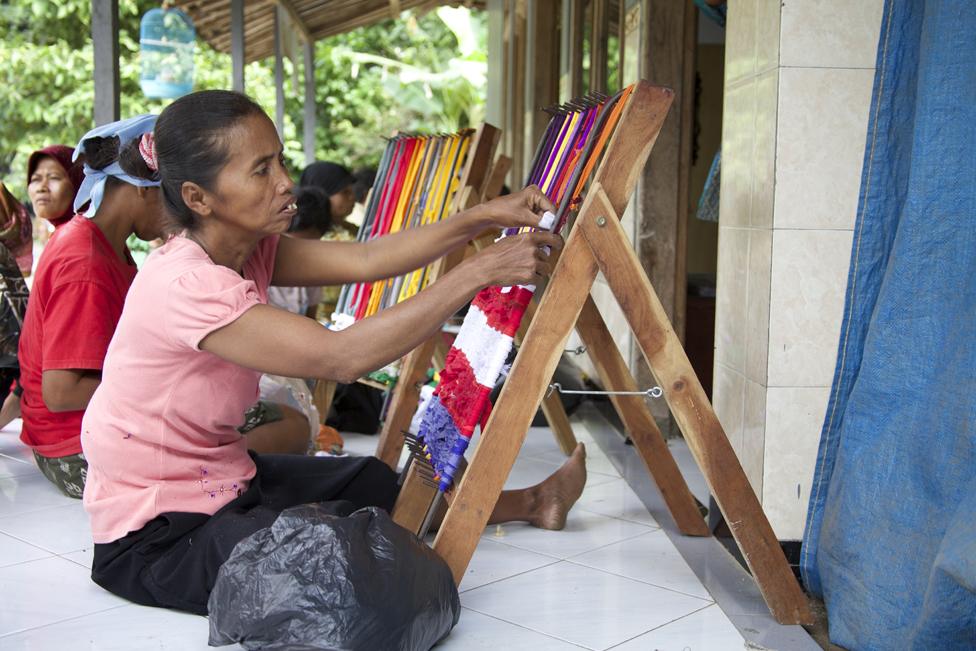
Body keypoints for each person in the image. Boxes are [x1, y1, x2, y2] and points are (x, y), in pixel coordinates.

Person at [81, 90, 586, 616]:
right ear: (198, 197)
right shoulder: (185, 284)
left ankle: (533, 503)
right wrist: (480, 270)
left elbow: (366, 259)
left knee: (368, 482)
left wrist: (480, 217)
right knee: (334, 562)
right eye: (261, 170)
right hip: (161, 535)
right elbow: (340, 357)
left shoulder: (245, 249)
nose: (285, 182)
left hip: (224, 482)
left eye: (281, 160)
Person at [17, 115, 166, 498]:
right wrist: (164, 388)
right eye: (171, 196)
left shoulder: (105, 244)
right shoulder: (85, 260)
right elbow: (62, 393)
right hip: (71, 448)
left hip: (88, 429)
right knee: (262, 437)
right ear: (141, 189)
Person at [26, 144, 86, 229]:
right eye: (35, 179)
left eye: (54, 177)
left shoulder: (82, 235)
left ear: (79, 183)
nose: (41, 188)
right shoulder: (62, 234)